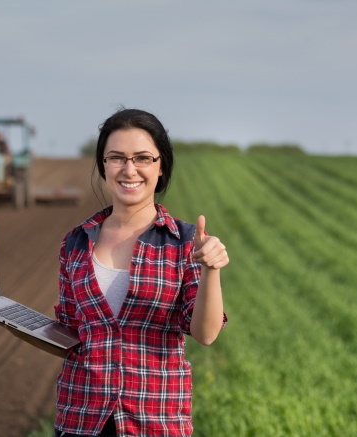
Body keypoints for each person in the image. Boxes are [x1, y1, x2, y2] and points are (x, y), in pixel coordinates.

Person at [54, 108, 229, 436]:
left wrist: (211, 270)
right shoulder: (75, 242)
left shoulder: (184, 242)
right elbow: (69, 331)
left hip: (154, 420)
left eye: (143, 158)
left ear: (160, 166)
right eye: (117, 157)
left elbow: (205, 334)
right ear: (103, 165)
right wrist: (19, 325)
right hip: (80, 418)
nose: (129, 169)